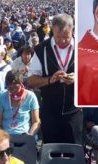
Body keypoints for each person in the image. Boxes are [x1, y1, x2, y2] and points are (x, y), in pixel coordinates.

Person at [27, 13, 82, 144]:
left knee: (74, 152)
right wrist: (49, 80)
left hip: (73, 112)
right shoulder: (41, 49)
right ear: (52, 31)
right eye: (58, 37)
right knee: (51, 152)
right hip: (50, 112)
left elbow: (95, 77)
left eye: (66, 37)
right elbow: (30, 81)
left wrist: (78, 78)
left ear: (73, 30)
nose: (62, 41)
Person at [0, 71, 40, 136]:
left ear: (21, 83)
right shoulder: (2, 97)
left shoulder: (30, 96)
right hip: (7, 136)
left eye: (16, 87)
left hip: (24, 135)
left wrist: (30, 135)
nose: (13, 90)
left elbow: (36, 122)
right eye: (10, 87)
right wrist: (2, 137)